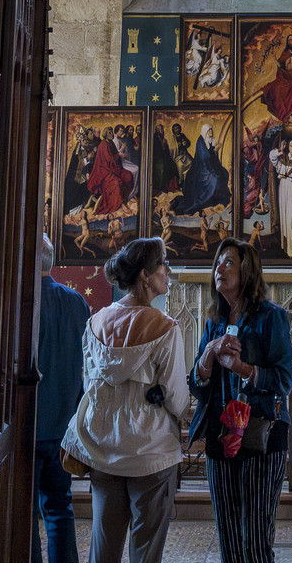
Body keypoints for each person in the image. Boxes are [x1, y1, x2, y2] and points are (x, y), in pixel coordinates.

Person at [61, 236, 189, 563]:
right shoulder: (165, 327)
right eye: (163, 264)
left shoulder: (96, 321)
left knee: (103, 547)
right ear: (145, 275)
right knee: (146, 551)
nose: (168, 270)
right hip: (151, 450)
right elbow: (176, 398)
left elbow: (90, 384)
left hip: (103, 447)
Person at [189, 241, 292, 563]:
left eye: (228, 263)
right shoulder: (214, 322)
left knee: (256, 542)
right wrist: (207, 356)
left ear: (246, 271)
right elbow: (197, 386)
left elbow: (283, 381)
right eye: (218, 263)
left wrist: (241, 368)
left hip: (260, 435)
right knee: (230, 541)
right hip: (221, 435)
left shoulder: (271, 317)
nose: (219, 269)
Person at [34, 234, 89, 563]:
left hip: (25, 426)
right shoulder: (76, 301)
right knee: (59, 509)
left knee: (23, 513)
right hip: (63, 425)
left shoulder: (20, 300)